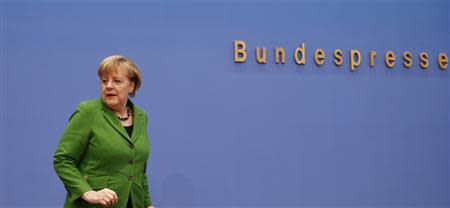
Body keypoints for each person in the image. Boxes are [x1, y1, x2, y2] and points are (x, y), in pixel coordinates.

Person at [54, 55, 154, 208]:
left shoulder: (141, 116)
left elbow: (138, 170)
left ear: (131, 86)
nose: (108, 86)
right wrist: (88, 192)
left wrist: (147, 204)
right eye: (104, 80)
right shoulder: (88, 112)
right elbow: (63, 160)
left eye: (117, 81)